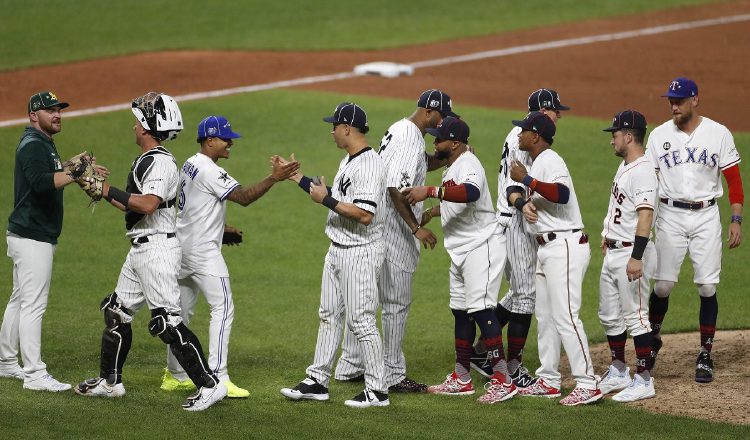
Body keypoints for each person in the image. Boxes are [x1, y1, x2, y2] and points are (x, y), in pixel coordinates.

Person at [74, 92, 227, 412]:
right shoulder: (148, 159)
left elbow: (147, 204)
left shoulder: (158, 162)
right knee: (116, 313)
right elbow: (131, 206)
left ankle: (210, 386)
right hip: (141, 247)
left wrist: (103, 188)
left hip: (157, 249)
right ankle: (110, 382)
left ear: (146, 126)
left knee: (168, 324)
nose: (133, 126)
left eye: (136, 121)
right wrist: (95, 187)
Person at [159, 116, 299, 398]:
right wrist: (275, 177)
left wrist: (220, 229)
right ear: (210, 140)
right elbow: (244, 197)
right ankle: (218, 377)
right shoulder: (209, 169)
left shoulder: (189, 163)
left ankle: (174, 375)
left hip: (181, 247)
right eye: (225, 138)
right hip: (203, 253)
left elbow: (194, 207)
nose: (230, 143)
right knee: (222, 308)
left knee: (180, 313)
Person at [334, 89, 457, 392]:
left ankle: (352, 363)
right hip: (394, 229)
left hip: (380, 226)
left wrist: (446, 157)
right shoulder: (409, 137)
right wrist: (416, 228)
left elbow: (415, 165)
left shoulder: (402, 129)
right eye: (442, 117)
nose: (443, 124)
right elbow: (394, 187)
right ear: (430, 111)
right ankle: (391, 373)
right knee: (395, 303)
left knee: (366, 299)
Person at [280, 102, 389, 408]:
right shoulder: (349, 160)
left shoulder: (369, 165)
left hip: (360, 252)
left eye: (334, 126)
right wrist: (298, 179)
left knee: (362, 321)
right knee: (328, 316)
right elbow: (335, 198)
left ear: (346, 128)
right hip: (338, 250)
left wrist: (325, 199)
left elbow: (365, 214)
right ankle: (317, 381)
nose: (331, 132)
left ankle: (377, 391)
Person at [403, 116, 517, 404]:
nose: (433, 142)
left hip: (482, 247)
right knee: (461, 311)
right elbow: (458, 202)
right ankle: (462, 376)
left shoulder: (469, 164)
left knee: (480, 310)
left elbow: (471, 193)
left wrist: (429, 191)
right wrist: (432, 211)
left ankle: (503, 380)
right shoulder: (453, 165)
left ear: (454, 143)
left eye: (438, 138)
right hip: (460, 250)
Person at [471, 89, 570, 391]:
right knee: (525, 294)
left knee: (520, 292)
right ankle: (512, 366)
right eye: (555, 111)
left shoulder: (524, 134)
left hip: (513, 221)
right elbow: (513, 187)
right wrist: (521, 205)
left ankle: (480, 352)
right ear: (542, 112)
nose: (559, 116)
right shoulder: (524, 138)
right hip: (513, 222)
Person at [646, 77, 743, 383]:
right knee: (662, 286)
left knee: (707, 287)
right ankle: (653, 339)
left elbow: (735, 181)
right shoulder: (658, 135)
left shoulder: (718, 134)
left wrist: (736, 220)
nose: (673, 105)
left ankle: (705, 354)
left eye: (679, 100)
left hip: (706, 216)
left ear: (695, 100)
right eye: (670, 101)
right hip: (670, 215)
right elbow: (648, 184)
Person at [0, 91, 93, 391]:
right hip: (32, 236)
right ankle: (35, 374)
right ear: (32, 115)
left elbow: (48, 174)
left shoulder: (42, 143)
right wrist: (77, 173)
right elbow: (41, 184)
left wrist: (72, 169)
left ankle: (5, 362)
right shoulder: (32, 145)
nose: (57, 114)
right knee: (33, 305)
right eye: (49, 110)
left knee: (20, 300)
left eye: (59, 110)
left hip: (29, 234)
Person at [508, 111, 601, 406]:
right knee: (546, 317)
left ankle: (588, 383)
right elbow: (520, 193)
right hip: (547, 248)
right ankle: (548, 379)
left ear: (536, 136)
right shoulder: (538, 162)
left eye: (523, 130)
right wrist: (524, 203)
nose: (519, 134)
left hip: (565, 246)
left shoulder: (550, 160)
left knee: (566, 316)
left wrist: (528, 180)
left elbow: (561, 194)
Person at [597, 110, 658, 402]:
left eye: (615, 134)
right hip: (614, 250)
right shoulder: (626, 166)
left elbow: (645, 215)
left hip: (631, 254)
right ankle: (619, 370)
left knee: (636, 318)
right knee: (610, 315)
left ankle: (644, 379)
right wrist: (606, 236)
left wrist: (637, 256)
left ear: (629, 136)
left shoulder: (644, 170)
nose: (611, 140)